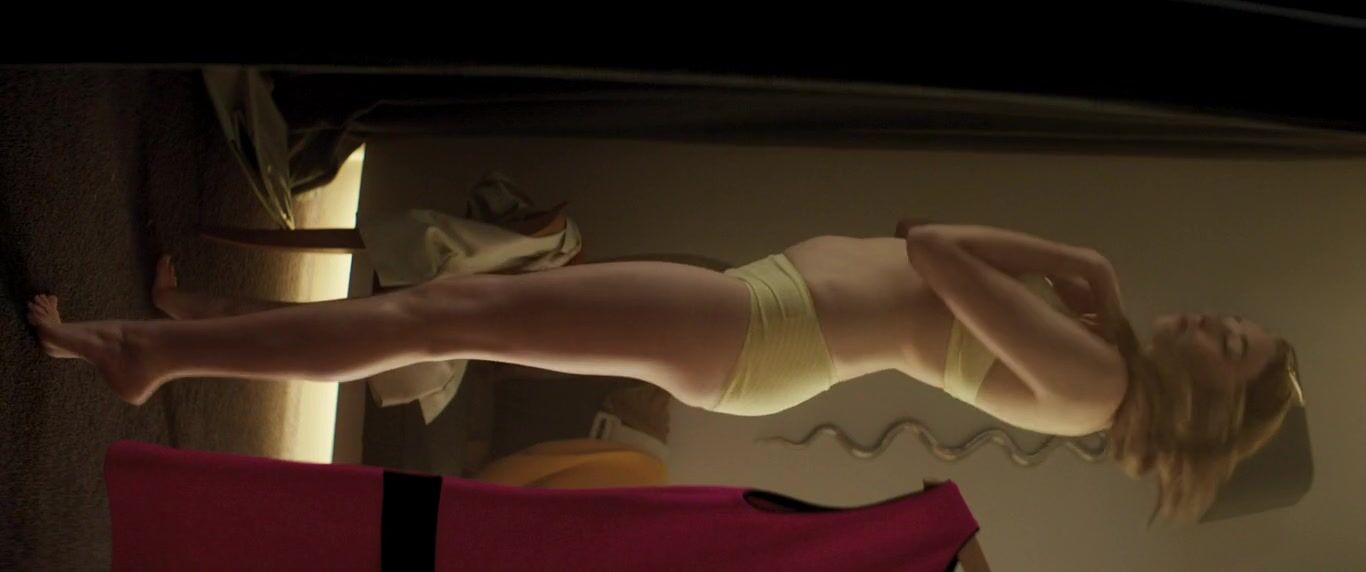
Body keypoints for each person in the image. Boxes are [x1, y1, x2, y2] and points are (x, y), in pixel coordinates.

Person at [29, 221, 1303, 521]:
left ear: (1209, 399)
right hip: (761, 316)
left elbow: (932, 250)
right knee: (446, 311)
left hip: (758, 334)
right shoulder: (1096, 357)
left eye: (1232, 345)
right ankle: (189, 326)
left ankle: (155, 353)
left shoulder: (1092, 382)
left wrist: (1075, 258)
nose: (1215, 322)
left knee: (444, 313)